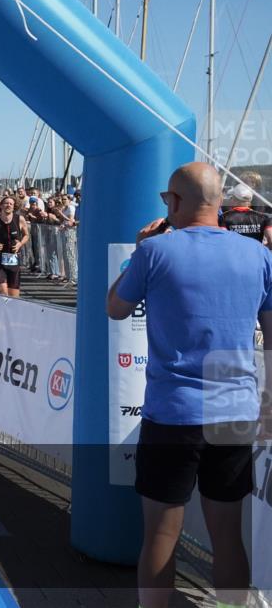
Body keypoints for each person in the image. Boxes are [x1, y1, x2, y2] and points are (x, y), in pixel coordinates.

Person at [107, 162, 272, 608]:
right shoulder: (259, 255)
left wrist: (138, 250)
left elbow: (115, 308)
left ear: (176, 202)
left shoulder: (155, 252)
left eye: (167, 200)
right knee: (227, 534)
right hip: (234, 413)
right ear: (219, 202)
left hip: (173, 413)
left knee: (161, 534)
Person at [0, 195, 29, 297]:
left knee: (14, 296)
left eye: (10, 204)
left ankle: (13, 313)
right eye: (6, 203)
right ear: (1, 206)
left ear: (14, 206)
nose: (8, 205)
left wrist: (20, 244)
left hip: (14, 260)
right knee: (3, 292)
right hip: (0, 261)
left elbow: (26, 235)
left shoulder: (19, 219)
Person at [220, 183, 272, 249]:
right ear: (249, 202)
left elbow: (222, 241)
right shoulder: (264, 218)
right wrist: (259, 249)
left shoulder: (224, 217)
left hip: (233, 256)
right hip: (255, 257)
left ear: (234, 200)